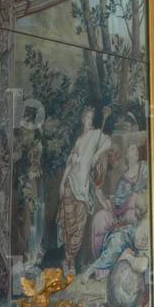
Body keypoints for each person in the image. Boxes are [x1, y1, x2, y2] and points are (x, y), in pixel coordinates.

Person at [57, 105, 112, 276]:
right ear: (83, 120)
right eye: (86, 118)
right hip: (70, 184)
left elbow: (108, 142)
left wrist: (97, 154)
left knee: (78, 228)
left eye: (91, 118)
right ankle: (69, 261)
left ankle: (69, 258)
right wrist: (62, 182)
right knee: (68, 224)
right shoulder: (79, 140)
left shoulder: (96, 135)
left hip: (83, 189)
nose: (88, 121)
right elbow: (70, 164)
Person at [91, 143, 148, 259]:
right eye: (132, 149)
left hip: (140, 213)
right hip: (121, 214)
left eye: (136, 148)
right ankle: (99, 259)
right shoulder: (123, 178)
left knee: (130, 217)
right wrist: (103, 199)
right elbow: (117, 202)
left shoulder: (144, 168)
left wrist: (135, 197)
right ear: (127, 155)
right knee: (99, 218)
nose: (135, 150)